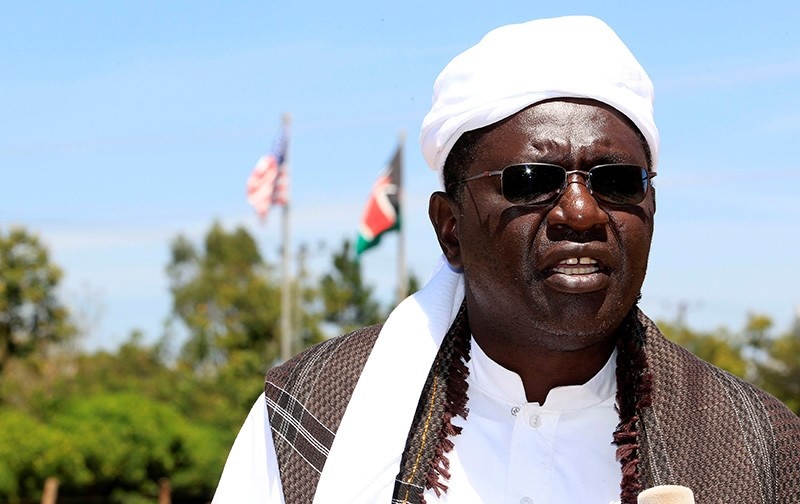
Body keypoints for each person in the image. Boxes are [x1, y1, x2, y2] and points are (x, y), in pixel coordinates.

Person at [212, 16, 800, 504]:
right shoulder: (311, 414)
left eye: (617, 181)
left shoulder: (760, 450)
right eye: (530, 181)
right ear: (450, 228)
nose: (580, 211)